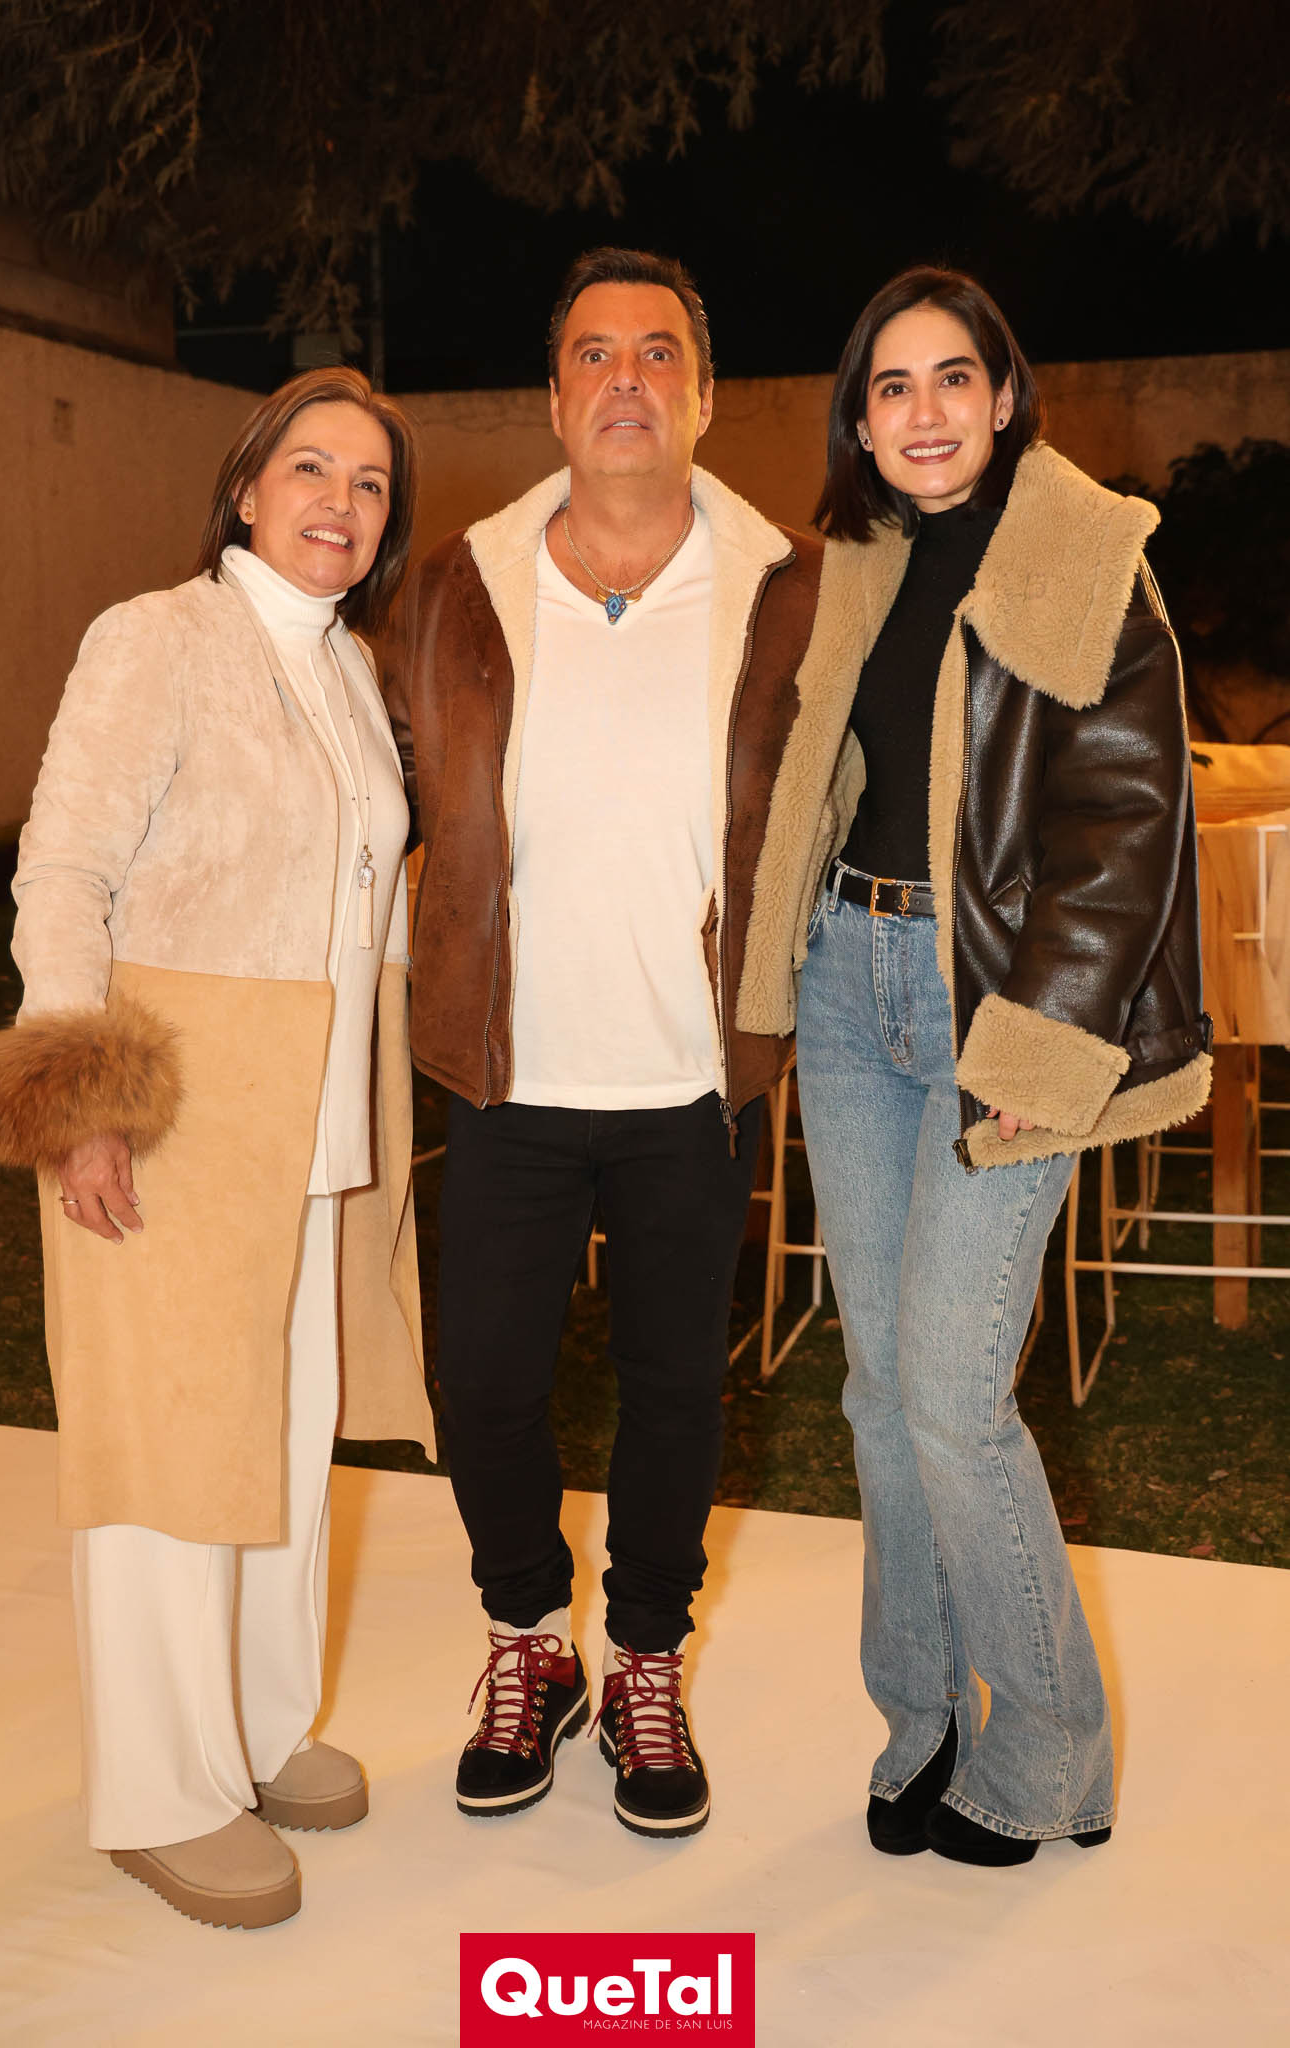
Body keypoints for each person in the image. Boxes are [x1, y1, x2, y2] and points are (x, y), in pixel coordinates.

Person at [736, 267, 1209, 1866]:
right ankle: (921, 1712)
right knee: (879, 1391)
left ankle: (1051, 1752)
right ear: (858, 421)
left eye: (952, 378)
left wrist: (1044, 1041)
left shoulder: (1086, 554)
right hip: (848, 983)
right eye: (890, 386)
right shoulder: (861, 561)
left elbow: (1124, 820)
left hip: (993, 1011)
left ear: (1003, 397)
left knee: (949, 1391)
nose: (922, 410)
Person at [0, 368, 434, 1927]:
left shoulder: (349, 666)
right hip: (168, 1115)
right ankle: (163, 1792)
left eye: (368, 483)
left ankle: (255, 1727)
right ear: (244, 488)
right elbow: (63, 871)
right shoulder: (155, 637)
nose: (339, 503)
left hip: (309, 1122)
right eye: (310, 469)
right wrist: (79, 1102)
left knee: (280, 1442)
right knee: (165, 1452)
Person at [384, 246, 835, 1839]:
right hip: (507, 1067)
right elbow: (384, 790)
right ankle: (529, 1639)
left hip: (692, 1080)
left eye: (657, 353)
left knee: (674, 1393)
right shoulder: (459, 583)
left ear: (703, 396)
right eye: (593, 353)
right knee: (483, 1385)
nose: (625, 379)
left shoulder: (793, 589)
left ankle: (645, 1658)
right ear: (553, 396)